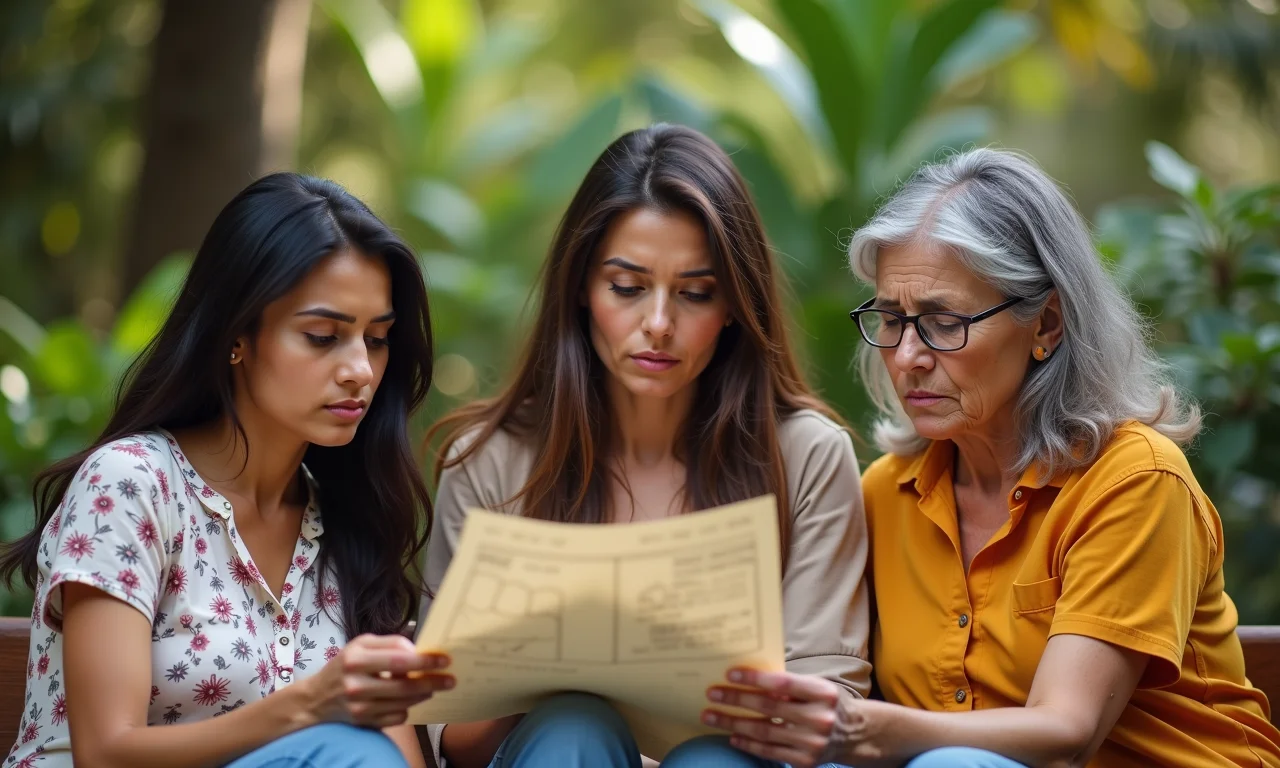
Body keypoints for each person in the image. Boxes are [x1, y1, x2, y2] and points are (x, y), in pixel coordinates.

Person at [714, 147, 1280, 766]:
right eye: (891, 319)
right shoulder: (885, 493)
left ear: (1046, 326)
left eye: (942, 321)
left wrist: (866, 729)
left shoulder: (1135, 480)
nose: (907, 357)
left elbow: (1066, 733)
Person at [420, 124, 871, 768]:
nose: (658, 324)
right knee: (572, 725)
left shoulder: (807, 455)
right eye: (627, 288)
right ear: (581, 288)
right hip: (557, 754)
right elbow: (453, 743)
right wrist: (530, 658)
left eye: (695, 294)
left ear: (736, 305)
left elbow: (831, 717)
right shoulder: (491, 459)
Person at [1, 173, 454, 768]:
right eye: (323, 337)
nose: (360, 371)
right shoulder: (132, 485)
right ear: (236, 336)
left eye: (376, 339)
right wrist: (310, 705)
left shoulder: (343, 524)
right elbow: (105, 754)